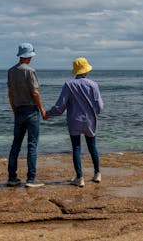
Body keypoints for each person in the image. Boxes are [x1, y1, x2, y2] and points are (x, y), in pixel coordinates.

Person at [47, 57, 104, 187]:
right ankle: (97, 174)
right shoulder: (93, 84)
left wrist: (48, 114)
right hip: (90, 121)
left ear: (76, 71)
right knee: (92, 146)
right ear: (86, 70)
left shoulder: (69, 84)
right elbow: (100, 106)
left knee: (76, 148)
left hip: (74, 120)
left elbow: (60, 106)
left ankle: (80, 178)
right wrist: (94, 113)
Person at [7, 43, 47, 188]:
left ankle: (12, 177)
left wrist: (14, 109)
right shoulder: (30, 71)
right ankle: (31, 178)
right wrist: (42, 109)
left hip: (18, 110)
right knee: (32, 145)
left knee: (15, 145)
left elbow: (10, 93)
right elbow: (35, 92)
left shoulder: (11, 71)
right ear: (28, 56)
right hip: (31, 110)